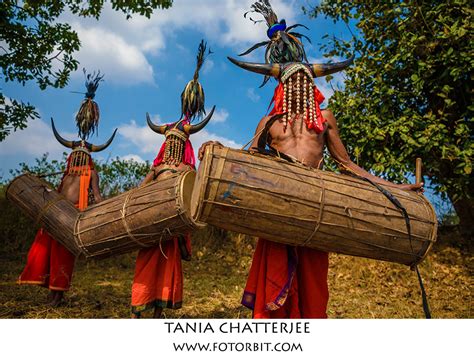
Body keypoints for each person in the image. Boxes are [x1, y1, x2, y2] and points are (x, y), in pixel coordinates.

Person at [198, 0, 423, 318]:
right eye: (296, 82)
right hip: (276, 207)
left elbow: (346, 165)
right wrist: (218, 148)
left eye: (306, 81)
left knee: (313, 290)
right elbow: (247, 164)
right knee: (274, 292)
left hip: (317, 208)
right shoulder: (269, 122)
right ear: (283, 86)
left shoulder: (325, 117)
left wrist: (395, 188)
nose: (302, 86)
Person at [131, 40, 215, 318]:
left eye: (175, 143)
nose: (171, 147)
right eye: (170, 143)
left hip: (170, 229)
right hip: (153, 227)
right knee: (150, 264)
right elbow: (138, 194)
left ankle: (156, 310)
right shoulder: (165, 170)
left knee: (164, 266)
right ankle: (142, 309)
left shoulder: (184, 172)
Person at [18, 71, 116, 306]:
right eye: (75, 157)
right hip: (56, 214)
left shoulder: (90, 173)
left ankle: (58, 295)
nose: (77, 160)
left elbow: (98, 197)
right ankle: (51, 292)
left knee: (62, 256)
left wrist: (108, 207)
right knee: (44, 252)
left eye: (80, 157)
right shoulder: (67, 173)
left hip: (72, 218)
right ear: (71, 158)